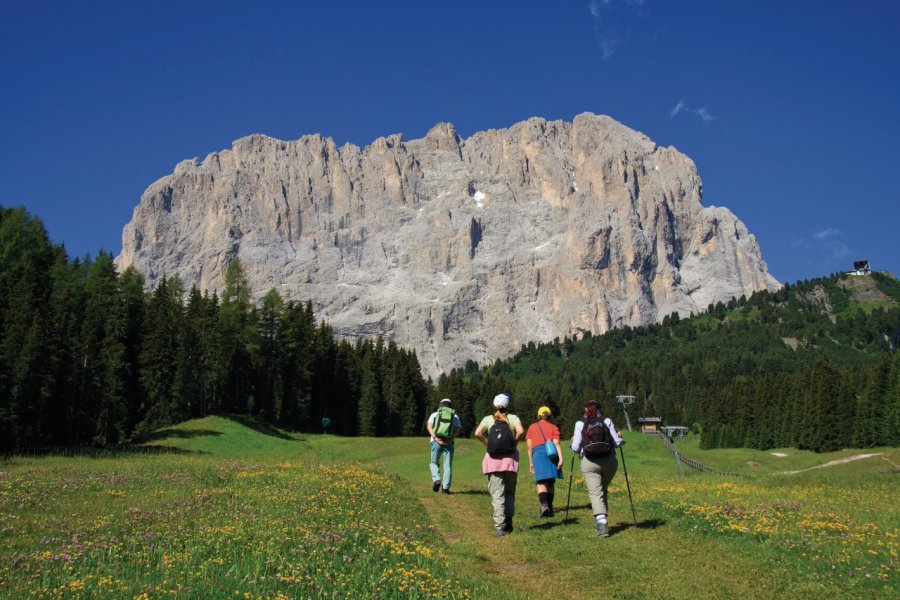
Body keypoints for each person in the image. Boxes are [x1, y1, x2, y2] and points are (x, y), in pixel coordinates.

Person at [570, 399, 624, 537]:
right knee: (602, 490)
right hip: (609, 461)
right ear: (600, 408)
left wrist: (571, 444)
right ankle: (600, 518)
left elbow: (576, 448)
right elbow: (617, 443)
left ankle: (602, 523)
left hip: (590, 462)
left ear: (585, 409)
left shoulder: (580, 423)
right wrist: (620, 438)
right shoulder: (607, 421)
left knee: (595, 492)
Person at [474, 393, 525, 536]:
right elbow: (521, 432)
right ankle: (508, 521)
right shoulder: (513, 418)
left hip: (493, 461)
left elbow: (477, 433)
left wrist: (487, 444)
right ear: (507, 405)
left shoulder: (488, 419)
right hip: (510, 461)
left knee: (497, 494)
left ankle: (499, 527)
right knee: (509, 492)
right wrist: (514, 443)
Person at [526, 406, 564, 517]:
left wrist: (531, 462)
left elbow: (529, 447)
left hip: (538, 454)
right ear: (549, 416)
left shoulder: (532, 427)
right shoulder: (553, 427)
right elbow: (556, 443)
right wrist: (560, 459)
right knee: (551, 481)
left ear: (538, 416)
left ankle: (544, 505)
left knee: (541, 482)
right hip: (552, 454)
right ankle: (550, 507)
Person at [426, 398, 462, 494]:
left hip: (436, 441)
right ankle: (445, 488)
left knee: (434, 462)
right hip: (448, 443)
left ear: (441, 405)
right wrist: (450, 439)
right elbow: (458, 429)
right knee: (447, 466)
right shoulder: (454, 416)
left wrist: (435, 438)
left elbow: (429, 427)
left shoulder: (435, 414)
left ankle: (437, 479)